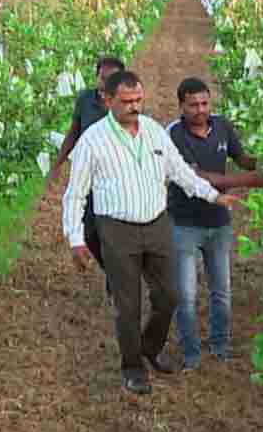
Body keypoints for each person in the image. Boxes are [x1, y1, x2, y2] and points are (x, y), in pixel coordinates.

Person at [61, 70, 230, 396]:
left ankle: (149, 346)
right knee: (128, 304)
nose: (134, 107)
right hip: (116, 229)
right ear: (108, 101)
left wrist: (212, 195)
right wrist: (76, 239)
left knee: (170, 297)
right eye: (126, 102)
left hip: (156, 224)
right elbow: (75, 194)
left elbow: (180, 171)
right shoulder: (93, 141)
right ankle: (133, 368)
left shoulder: (154, 132)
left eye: (138, 99)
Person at [166, 77, 263, 370]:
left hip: (218, 223)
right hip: (184, 224)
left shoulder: (222, 126)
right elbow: (200, 177)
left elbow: (243, 158)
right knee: (185, 295)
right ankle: (191, 354)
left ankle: (220, 346)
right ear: (181, 106)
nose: (200, 110)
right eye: (193, 105)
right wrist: (251, 181)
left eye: (205, 103)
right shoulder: (173, 135)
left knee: (221, 290)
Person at [49, 56, 126, 296]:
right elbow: (74, 132)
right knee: (90, 232)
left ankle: (118, 278)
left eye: (112, 79)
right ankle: (113, 271)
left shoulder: (126, 104)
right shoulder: (85, 100)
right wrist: (58, 163)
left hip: (116, 180)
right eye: (103, 78)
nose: (106, 83)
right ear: (97, 77)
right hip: (88, 177)